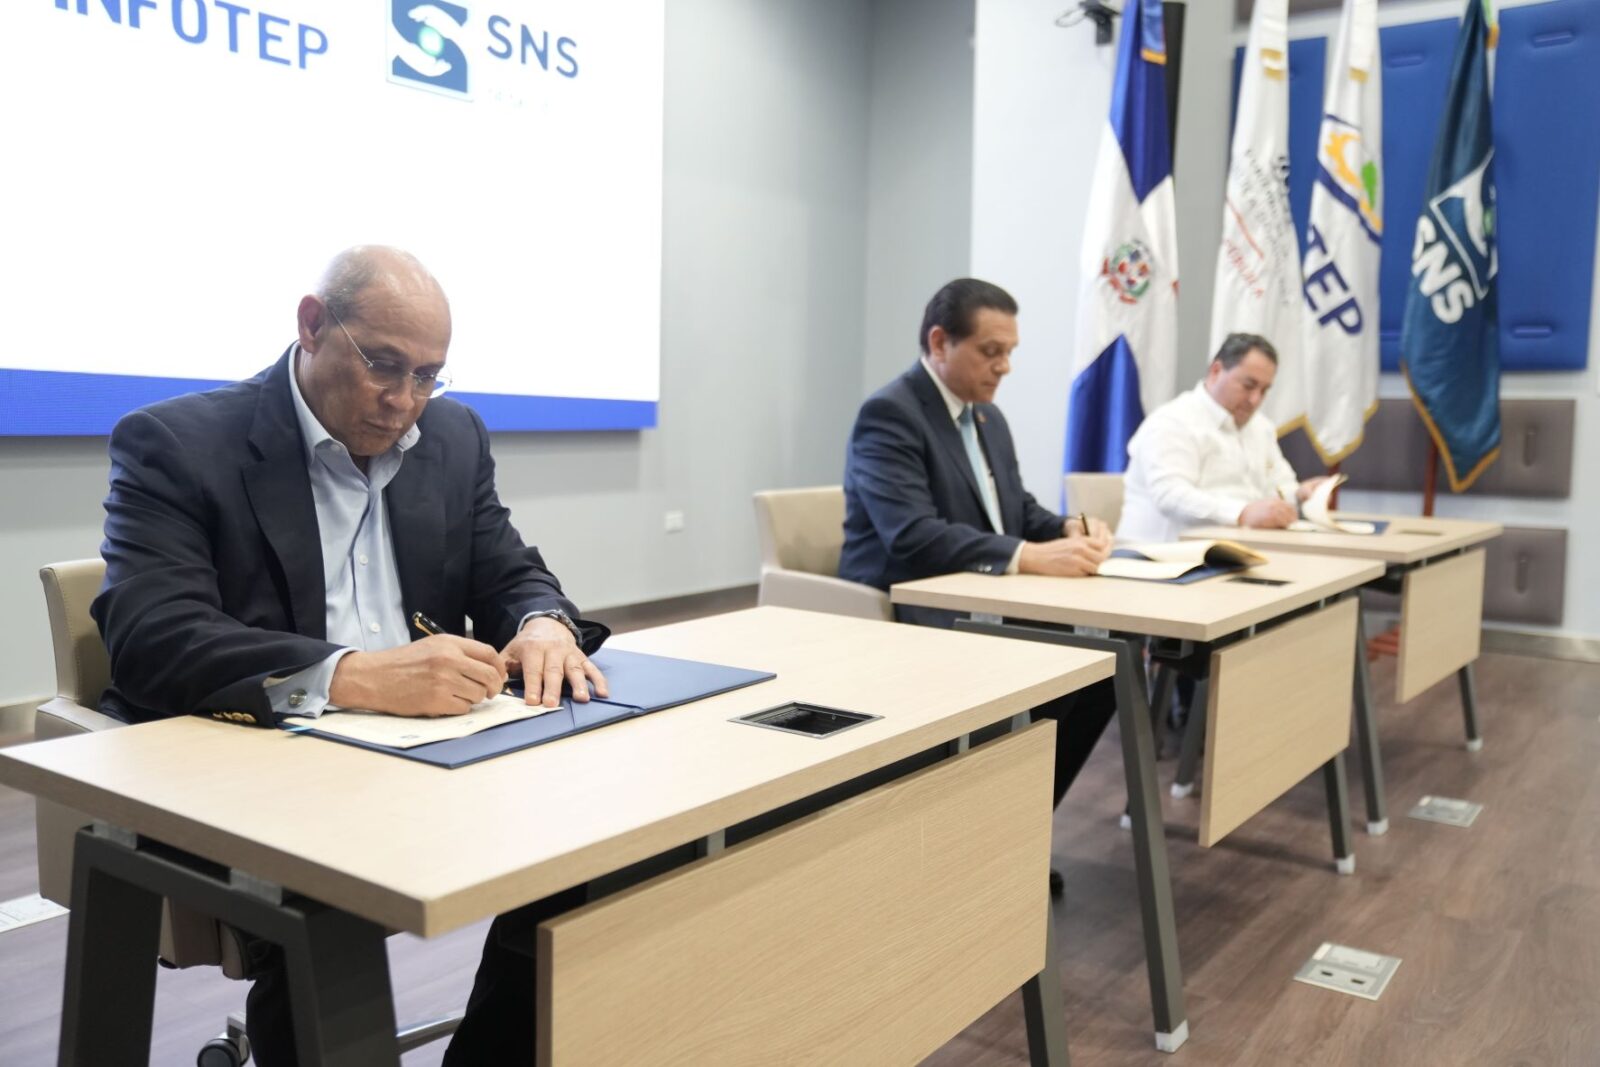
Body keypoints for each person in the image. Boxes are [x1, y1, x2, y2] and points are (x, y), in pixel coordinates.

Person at [91, 245, 606, 1065]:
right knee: (322, 899)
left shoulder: (452, 436)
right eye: (383, 365)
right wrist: (357, 674)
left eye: (428, 376)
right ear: (311, 326)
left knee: (604, 840)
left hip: (430, 754)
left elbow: (510, 570)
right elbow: (153, 635)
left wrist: (544, 622)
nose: (404, 402)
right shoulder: (177, 443)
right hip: (263, 766)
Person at [840, 278, 1118, 872]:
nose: (1005, 367)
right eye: (992, 352)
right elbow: (911, 535)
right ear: (940, 342)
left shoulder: (988, 417)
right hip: (903, 603)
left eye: (1010, 352)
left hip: (977, 594)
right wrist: (1027, 556)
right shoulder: (890, 413)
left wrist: (1068, 528)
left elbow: (1015, 510)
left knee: (1104, 669)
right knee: (1060, 665)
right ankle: (971, 846)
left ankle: (1008, 835)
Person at [1117, 332, 1328, 543]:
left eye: (1264, 390)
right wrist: (1242, 513)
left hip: (1235, 549)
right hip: (1160, 554)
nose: (1255, 400)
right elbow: (1171, 496)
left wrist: (1299, 495)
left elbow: (1278, 485)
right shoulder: (1172, 421)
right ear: (1216, 371)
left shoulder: (1260, 427)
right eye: (1248, 386)